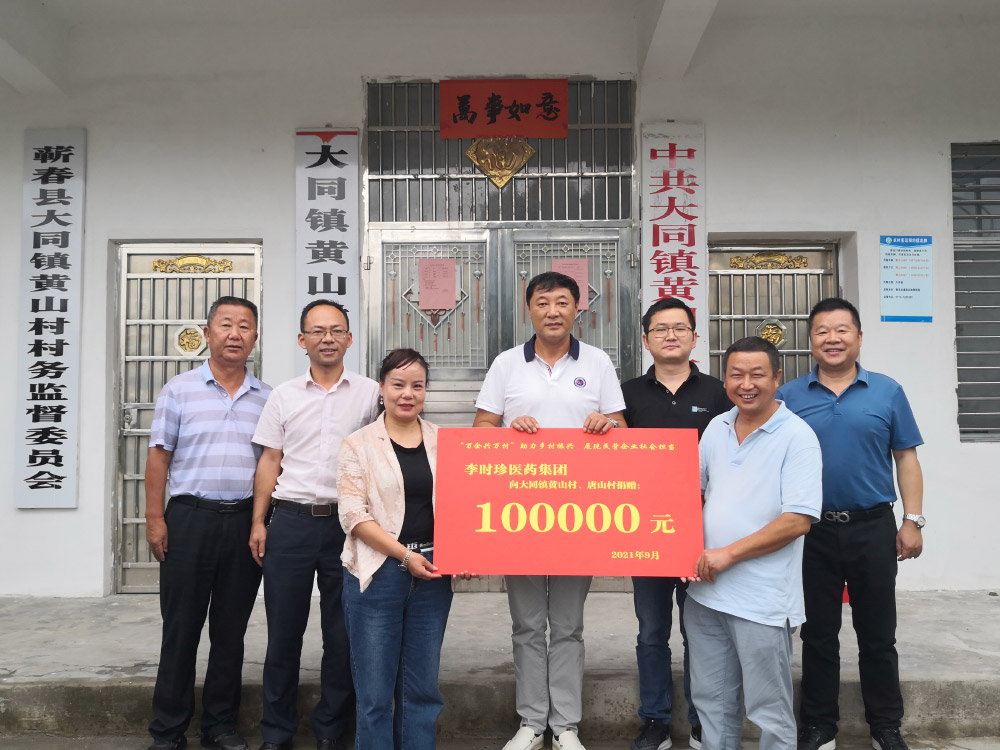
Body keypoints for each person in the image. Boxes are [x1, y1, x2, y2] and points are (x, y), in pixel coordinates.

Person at [473, 271, 627, 750]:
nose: (553, 311)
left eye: (562, 302)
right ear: (530, 310)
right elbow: (481, 430)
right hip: (519, 513)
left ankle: (565, 726)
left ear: (578, 309)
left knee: (567, 625)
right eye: (543, 302)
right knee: (525, 624)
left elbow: (623, 431)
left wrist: (607, 423)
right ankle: (531, 722)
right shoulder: (506, 364)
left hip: (579, 515)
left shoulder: (598, 362)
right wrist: (506, 430)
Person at [778, 298, 925, 750]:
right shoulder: (790, 397)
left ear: (859, 337)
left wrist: (912, 520)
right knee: (818, 633)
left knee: (878, 634)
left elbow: (906, 458)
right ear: (810, 341)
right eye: (822, 331)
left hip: (873, 526)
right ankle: (819, 725)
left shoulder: (887, 391)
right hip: (811, 530)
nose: (832, 339)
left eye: (842, 330)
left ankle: (886, 726)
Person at [249, 300, 380, 750]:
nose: (328, 338)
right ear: (302, 340)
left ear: (349, 338)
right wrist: (259, 521)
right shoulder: (283, 395)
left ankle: (332, 730)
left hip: (348, 526)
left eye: (336, 330)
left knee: (342, 636)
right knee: (283, 634)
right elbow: (270, 459)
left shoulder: (370, 394)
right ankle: (277, 732)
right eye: (318, 331)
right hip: (290, 522)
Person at [682, 336, 822, 750]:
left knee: (768, 709)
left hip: (761, 601)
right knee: (711, 701)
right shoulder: (716, 427)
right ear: (724, 380)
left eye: (757, 374)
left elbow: (797, 521)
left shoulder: (797, 437)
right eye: (736, 375)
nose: (746, 384)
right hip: (705, 595)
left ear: (777, 377)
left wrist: (728, 554)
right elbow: (691, 495)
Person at [145, 296, 271, 750]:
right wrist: (155, 518)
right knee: (181, 629)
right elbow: (158, 456)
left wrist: (261, 521)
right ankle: (168, 730)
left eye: (245, 326)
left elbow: (271, 464)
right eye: (226, 324)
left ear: (255, 337)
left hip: (243, 524)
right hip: (189, 520)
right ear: (208, 332)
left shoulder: (268, 398)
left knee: (230, 632)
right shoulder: (178, 390)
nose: (235, 334)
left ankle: (219, 726)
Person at [337, 348, 473, 750]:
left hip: (433, 575)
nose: (407, 394)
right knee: (375, 695)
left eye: (417, 385)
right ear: (381, 388)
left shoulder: (445, 442)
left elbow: (463, 506)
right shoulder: (358, 444)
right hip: (377, 573)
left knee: (421, 691)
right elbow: (353, 516)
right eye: (398, 384)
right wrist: (405, 556)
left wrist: (465, 552)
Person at [620, 298, 731, 750]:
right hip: (645, 531)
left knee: (699, 631)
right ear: (646, 340)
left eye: (680, 328)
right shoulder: (626, 394)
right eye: (661, 329)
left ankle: (703, 720)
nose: (671, 335)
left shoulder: (719, 393)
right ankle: (655, 721)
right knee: (651, 633)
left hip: (703, 533)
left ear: (694, 337)